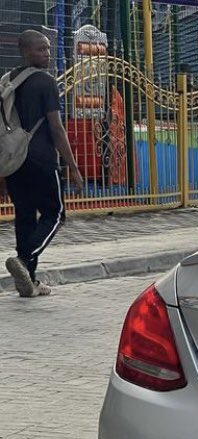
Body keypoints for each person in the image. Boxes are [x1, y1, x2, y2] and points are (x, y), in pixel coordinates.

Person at [1, 30, 83, 298]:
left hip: (14, 160)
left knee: (24, 216)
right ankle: (23, 261)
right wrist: (72, 165)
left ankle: (30, 282)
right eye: (40, 49)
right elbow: (56, 128)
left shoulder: (7, 81)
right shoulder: (45, 82)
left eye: (48, 49)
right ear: (25, 51)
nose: (46, 54)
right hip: (41, 158)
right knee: (55, 214)